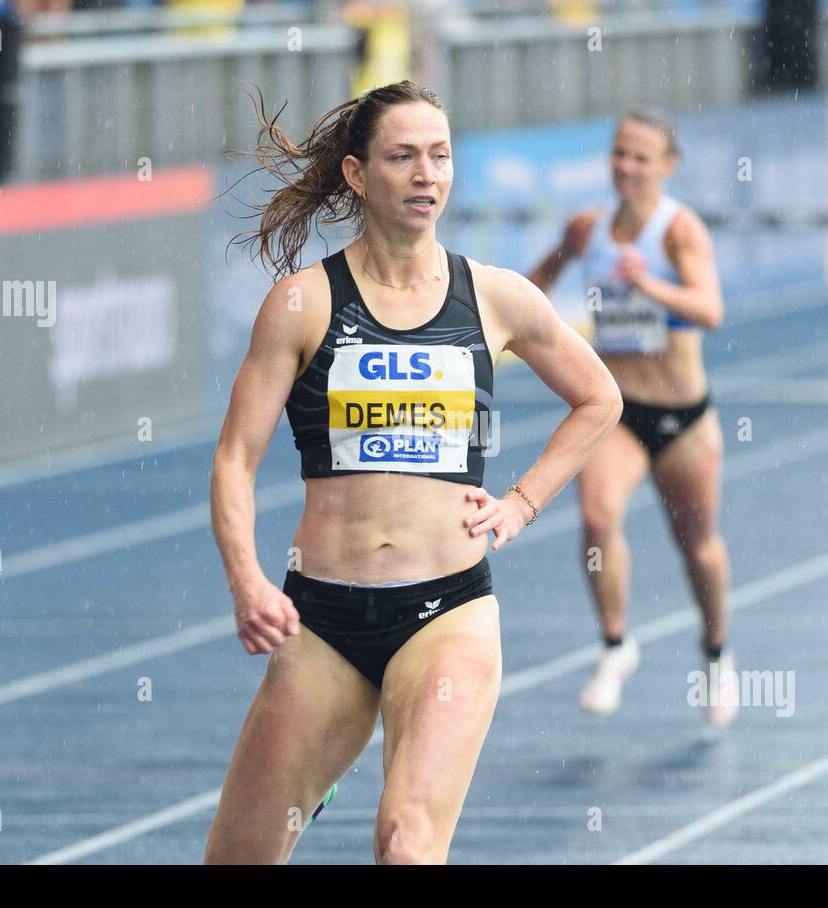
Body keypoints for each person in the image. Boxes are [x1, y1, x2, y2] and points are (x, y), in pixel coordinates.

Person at [204, 79, 622, 864]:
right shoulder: (302, 305)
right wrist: (247, 582)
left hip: (448, 615)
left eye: (440, 155)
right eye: (403, 157)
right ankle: (319, 767)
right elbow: (234, 459)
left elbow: (600, 397)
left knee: (404, 844)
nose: (427, 173)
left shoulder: (496, 297)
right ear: (359, 176)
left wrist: (524, 502)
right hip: (320, 620)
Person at [527, 109, 736, 726]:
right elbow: (532, 285)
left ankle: (717, 652)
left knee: (696, 545)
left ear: (667, 168)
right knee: (596, 517)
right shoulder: (587, 228)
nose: (626, 166)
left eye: (641, 157)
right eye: (620, 153)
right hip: (615, 409)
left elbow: (711, 310)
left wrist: (652, 287)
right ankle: (617, 646)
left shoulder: (679, 231)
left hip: (683, 418)